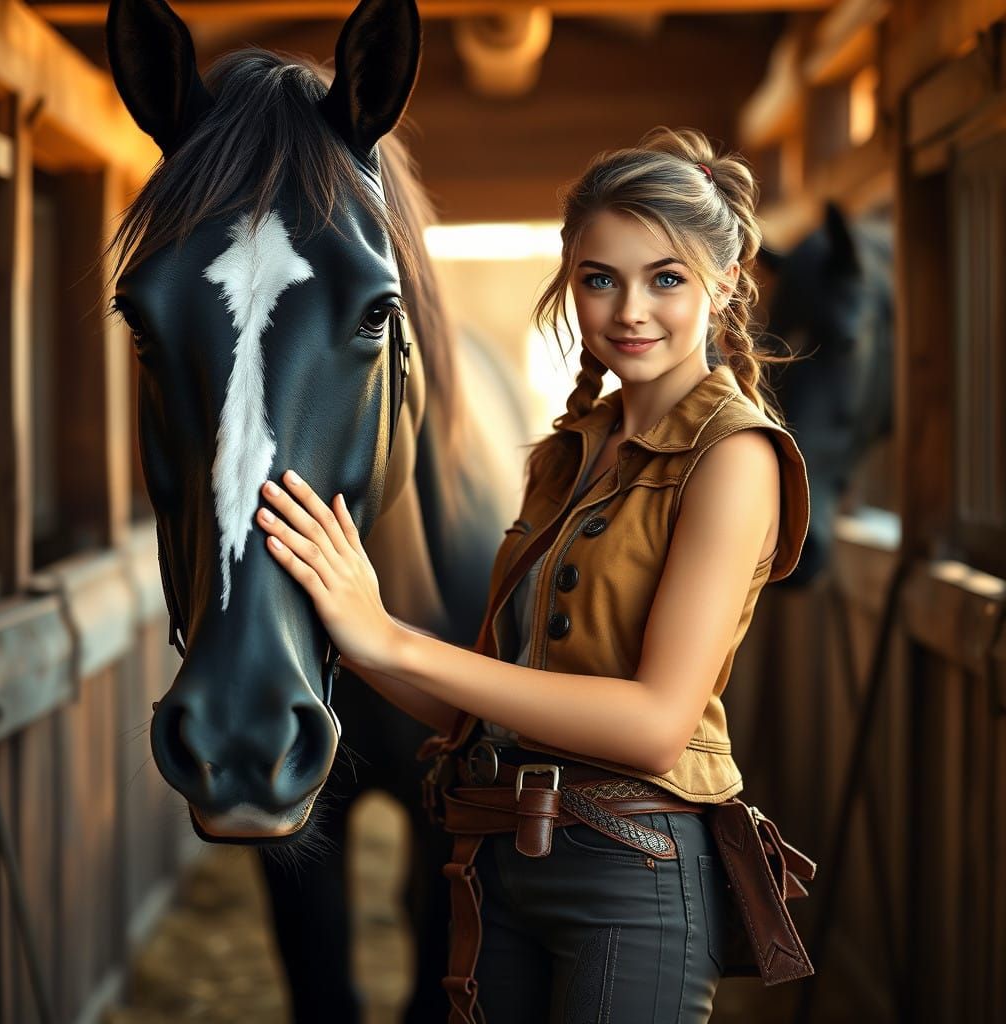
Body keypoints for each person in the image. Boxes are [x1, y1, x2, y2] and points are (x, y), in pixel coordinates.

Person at [253, 126, 810, 1023]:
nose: (630, 309)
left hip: (634, 880)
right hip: (506, 868)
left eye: (666, 278)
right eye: (601, 279)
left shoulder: (734, 457)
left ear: (725, 285)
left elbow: (657, 725)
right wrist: (341, 629)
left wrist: (394, 637)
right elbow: (490, 710)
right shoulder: (566, 458)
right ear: (570, 285)